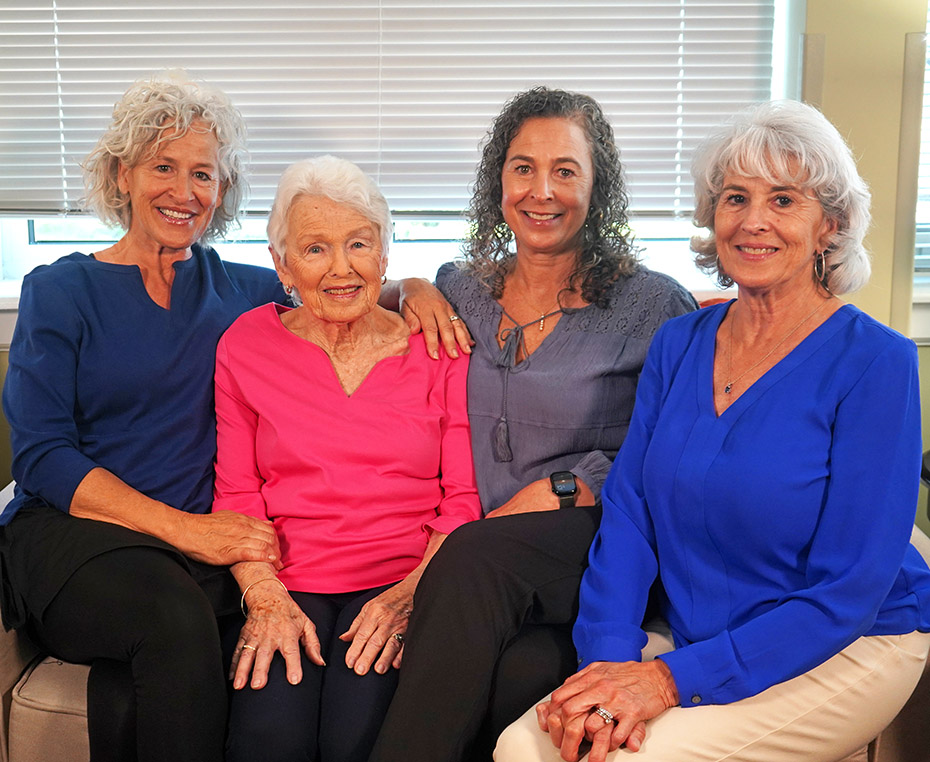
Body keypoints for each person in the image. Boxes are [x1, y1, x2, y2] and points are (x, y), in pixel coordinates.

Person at [496, 100, 930, 762]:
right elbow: (631, 513)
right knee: (524, 749)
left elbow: (848, 590)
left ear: (829, 227)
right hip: (702, 632)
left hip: (847, 643)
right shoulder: (680, 343)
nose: (754, 221)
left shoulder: (877, 362)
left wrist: (666, 681)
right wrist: (606, 663)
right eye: (735, 198)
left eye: (784, 200)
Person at [369, 87, 696, 762]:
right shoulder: (459, 286)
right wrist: (409, 288)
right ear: (499, 180)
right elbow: (343, 289)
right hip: (485, 565)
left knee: (474, 561)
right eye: (523, 168)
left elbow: (673, 444)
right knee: (519, 674)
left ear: (596, 184)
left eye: (565, 171)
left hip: (593, 538)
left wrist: (574, 486)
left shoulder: (654, 304)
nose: (541, 190)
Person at [0, 71, 286, 762]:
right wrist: (190, 532)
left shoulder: (244, 290)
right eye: (163, 166)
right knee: (173, 615)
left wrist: (422, 289)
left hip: (192, 550)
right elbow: (41, 456)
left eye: (202, 174)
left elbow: (346, 277)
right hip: (76, 537)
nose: (184, 192)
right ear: (121, 174)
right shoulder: (60, 289)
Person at [214, 155, 481, 762]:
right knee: (265, 739)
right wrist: (263, 594)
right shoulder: (245, 346)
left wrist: (415, 594)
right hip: (289, 583)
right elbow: (237, 494)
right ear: (282, 264)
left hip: (401, 581)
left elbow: (462, 500)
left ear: (384, 254)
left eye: (358, 243)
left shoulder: (439, 349)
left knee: (355, 739)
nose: (341, 268)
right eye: (315, 249)